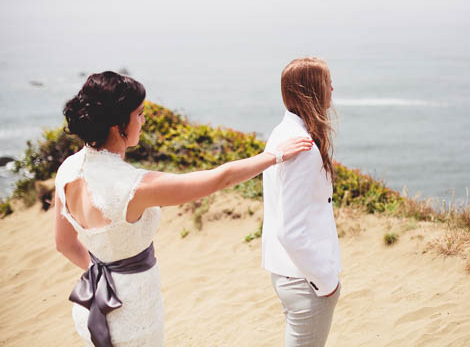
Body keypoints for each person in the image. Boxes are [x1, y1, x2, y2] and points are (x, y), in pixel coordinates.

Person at [54, 71, 313, 347]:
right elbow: (220, 178)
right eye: (139, 113)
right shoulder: (133, 187)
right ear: (119, 125)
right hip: (131, 313)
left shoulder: (67, 169)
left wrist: (103, 274)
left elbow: (64, 244)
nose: (143, 121)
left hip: (92, 302)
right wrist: (274, 156)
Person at [262, 57, 342, 347]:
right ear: (311, 91)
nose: (332, 88)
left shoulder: (282, 134)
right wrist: (326, 282)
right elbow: (290, 230)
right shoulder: (303, 147)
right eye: (326, 82)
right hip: (305, 279)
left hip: (287, 272)